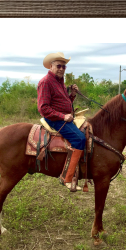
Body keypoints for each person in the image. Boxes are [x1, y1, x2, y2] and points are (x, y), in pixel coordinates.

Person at [37, 52, 86, 191]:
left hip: (63, 117)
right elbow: (43, 108)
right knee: (80, 139)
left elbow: (64, 103)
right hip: (54, 119)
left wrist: (73, 95)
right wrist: (63, 116)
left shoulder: (60, 82)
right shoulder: (46, 82)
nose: (61, 69)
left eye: (63, 67)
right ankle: (67, 177)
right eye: (58, 66)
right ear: (51, 66)